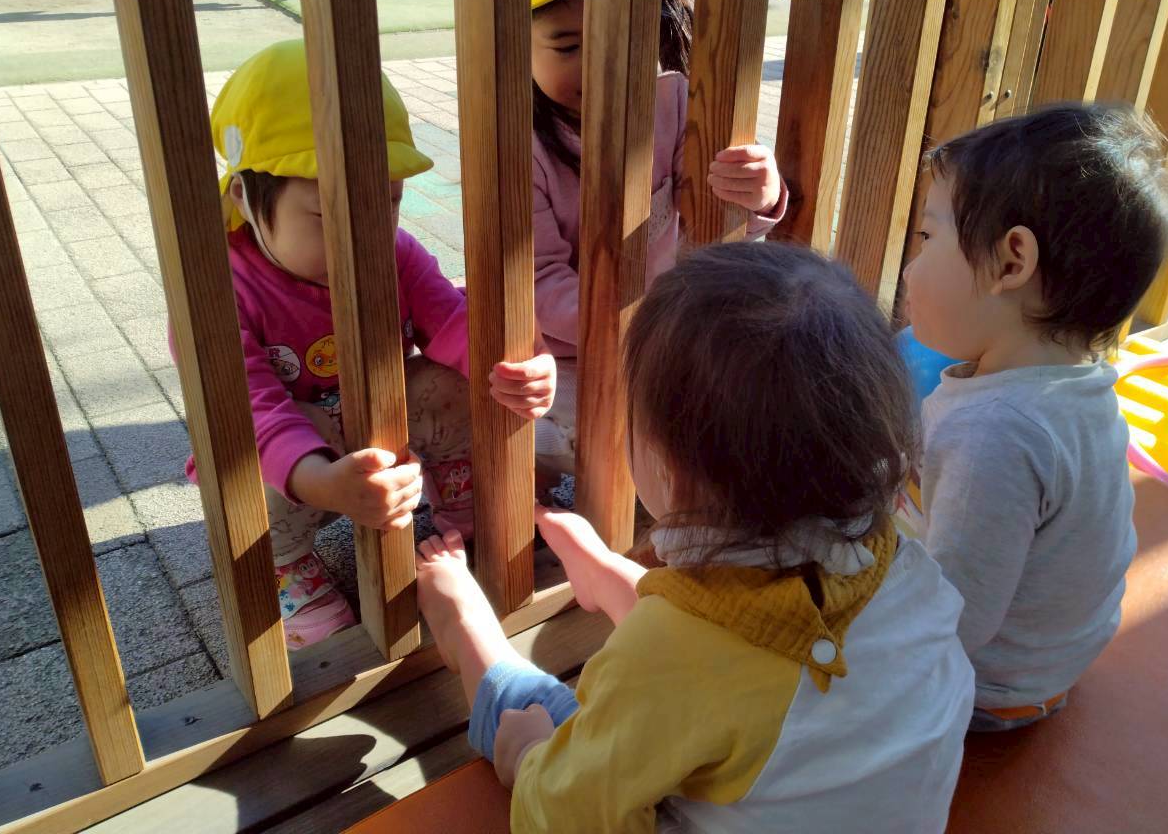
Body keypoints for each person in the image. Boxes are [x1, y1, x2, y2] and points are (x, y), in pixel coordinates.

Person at [417, 241, 975, 832]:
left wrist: (530, 750)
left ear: (667, 469)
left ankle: (464, 625)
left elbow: (562, 817)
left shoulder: (663, 658)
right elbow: (736, 644)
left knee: (537, 711)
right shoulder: (900, 564)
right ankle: (607, 578)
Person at [177, 39, 556, 650]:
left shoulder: (396, 255)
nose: (367, 235)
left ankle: (463, 498)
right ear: (244, 195)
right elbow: (251, 410)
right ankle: (286, 567)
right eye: (328, 215)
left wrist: (521, 368)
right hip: (291, 455)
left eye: (389, 201)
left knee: (450, 380)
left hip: (380, 426)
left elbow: (454, 323)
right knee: (236, 461)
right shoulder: (218, 292)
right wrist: (321, 482)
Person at [902, 102, 1168, 730]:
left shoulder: (996, 433)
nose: (913, 266)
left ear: (1011, 263)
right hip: (1053, 654)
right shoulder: (1077, 379)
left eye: (928, 237)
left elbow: (951, 621)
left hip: (988, 687)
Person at [528, 0, 787, 480]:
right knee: (584, 436)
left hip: (675, 334)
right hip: (571, 356)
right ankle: (549, 498)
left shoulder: (674, 103)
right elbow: (536, 279)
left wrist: (759, 195)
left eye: (619, 34)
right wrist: (637, 324)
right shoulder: (525, 147)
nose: (599, 65)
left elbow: (719, 230)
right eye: (567, 47)